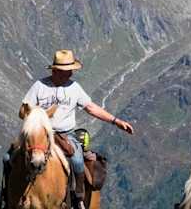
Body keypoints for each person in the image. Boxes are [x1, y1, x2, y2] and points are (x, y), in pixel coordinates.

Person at [19, 50, 134, 209]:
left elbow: (91, 108)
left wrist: (116, 121)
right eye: (66, 71)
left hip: (66, 135)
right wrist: (33, 114)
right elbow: (23, 111)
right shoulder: (39, 86)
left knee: (78, 161)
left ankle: (78, 198)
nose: (70, 74)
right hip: (41, 134)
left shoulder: (74, 88)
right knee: (8, 157)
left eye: (70, 71)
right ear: (55, 70)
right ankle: (8, 196)